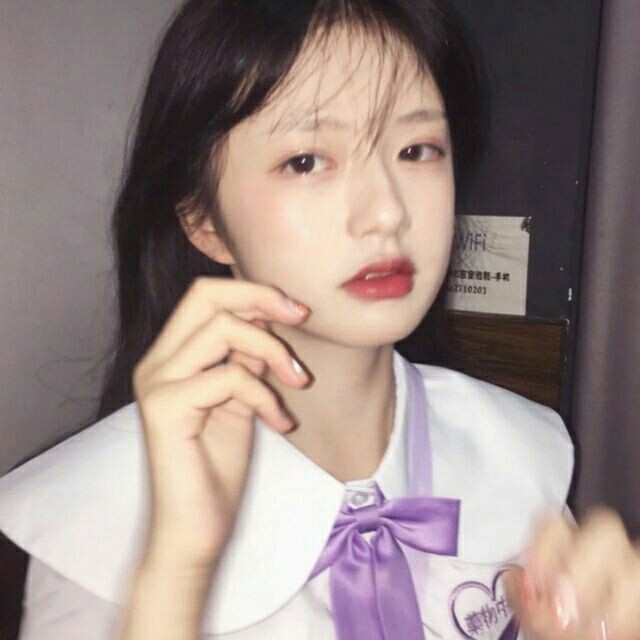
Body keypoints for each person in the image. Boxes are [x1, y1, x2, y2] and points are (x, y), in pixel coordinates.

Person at [1, 0, 639, 639]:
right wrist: (175, 577)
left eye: (417, 149)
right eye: (306, 161)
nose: (386, 211)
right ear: (201, 217)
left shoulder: (513, 456)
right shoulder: (91, 525)